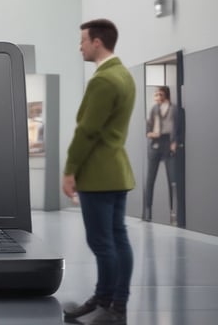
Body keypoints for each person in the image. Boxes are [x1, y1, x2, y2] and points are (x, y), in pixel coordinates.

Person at [62, 19, 136, 325]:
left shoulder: (103, 80)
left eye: (82, 40)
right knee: (118, 240)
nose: (79, 46)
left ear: (97, 42)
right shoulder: (125, 75)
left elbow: (88, 131)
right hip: (118, 173)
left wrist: (70, 170)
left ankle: (109, 304)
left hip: (98, 175)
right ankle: (112, 302)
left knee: (102, 242)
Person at [143, 86, 178, 222]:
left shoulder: (174, 109)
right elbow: (147, 130)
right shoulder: (153, 109)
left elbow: (178, 128)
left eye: (160, 94)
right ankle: (148, 212)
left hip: (168, 144)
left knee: (172, 180)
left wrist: (175, 142)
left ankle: (173, 212)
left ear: (166, 96)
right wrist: (153, 134)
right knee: (150, 179)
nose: (157, 97)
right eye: (156, 94)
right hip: (155, 145)